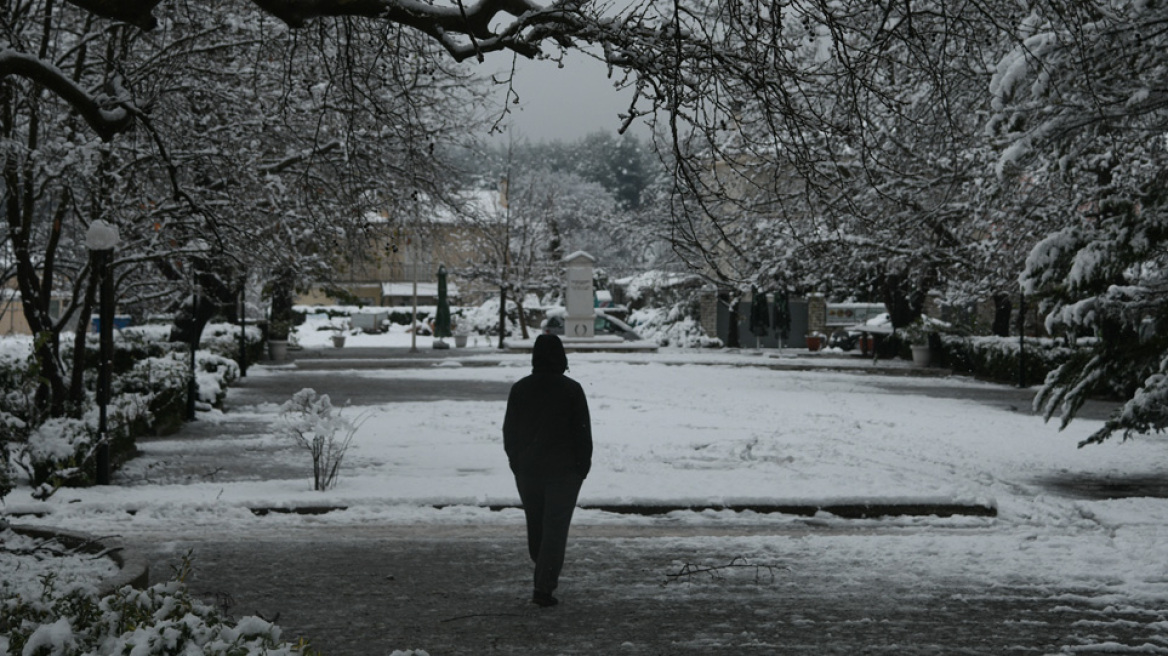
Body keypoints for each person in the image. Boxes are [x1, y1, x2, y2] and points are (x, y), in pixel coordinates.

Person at [503, 334, 592, 608]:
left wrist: (517, 462)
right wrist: (582, 468)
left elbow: (510, 431)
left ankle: (543, 574)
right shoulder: (571, 389)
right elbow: (582, 432)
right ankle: (544, 582)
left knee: (537, 525)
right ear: (562, 358)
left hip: (529, 470)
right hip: (564, 472)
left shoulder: (520, 388)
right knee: (555, 529)